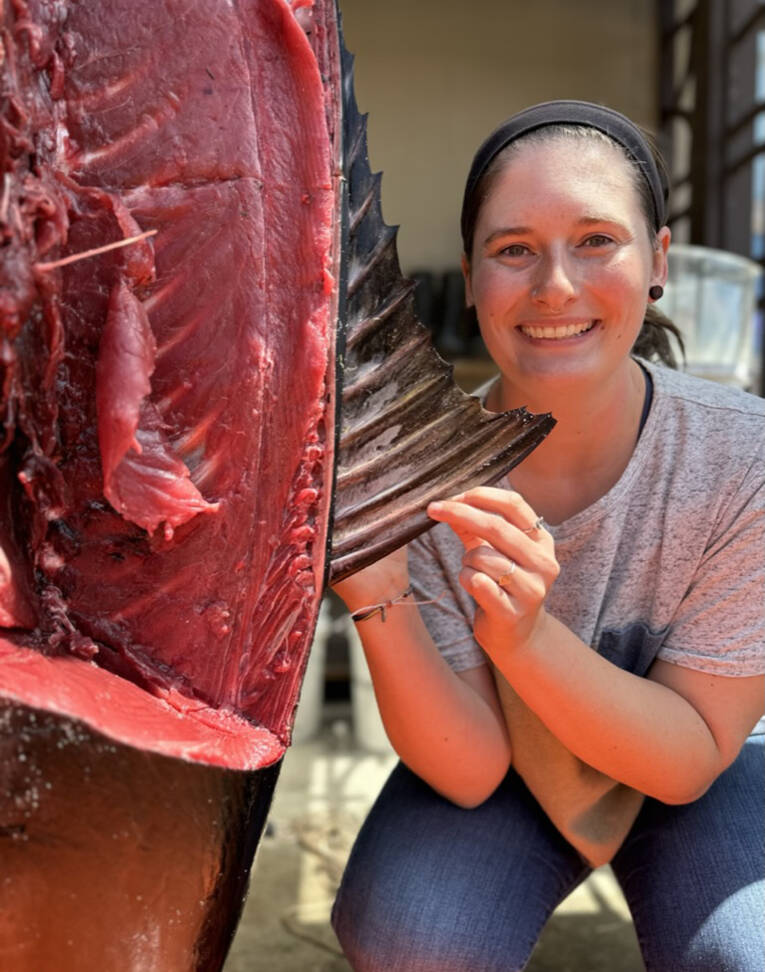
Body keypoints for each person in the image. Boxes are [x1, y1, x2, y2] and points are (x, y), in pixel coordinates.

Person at [330, 100, 765, 972]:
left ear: (658, 264)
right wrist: (374, 595)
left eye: (597, 239)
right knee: (413, 937)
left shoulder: (742, 456)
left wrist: (524, 639)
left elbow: (688, 759)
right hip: (503, 762)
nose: (554, 286)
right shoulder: (418, 474)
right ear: (469, 274)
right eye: (513, 249)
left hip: (699, 761)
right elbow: (469, 769)